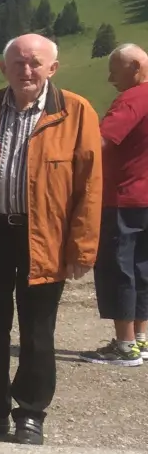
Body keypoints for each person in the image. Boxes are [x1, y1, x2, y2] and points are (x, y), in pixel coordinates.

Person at [0, 35, 100, 446]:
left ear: (52, 69)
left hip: (45, 235)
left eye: (35, 63)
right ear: (3, 69)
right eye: (17, 63)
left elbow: (90, 185)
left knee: (38, 330)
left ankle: (31, 413)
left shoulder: (75, 111)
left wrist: (83, 247)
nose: (26, 70)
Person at [86, 43, 148, 365]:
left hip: (123, 196)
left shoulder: (132, 99)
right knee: (142, 267)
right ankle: (140, 338)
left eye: (115, 69)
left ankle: (124, 346)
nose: (110, 78)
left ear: (136, 67)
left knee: (118, 266)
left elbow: (100, 142)